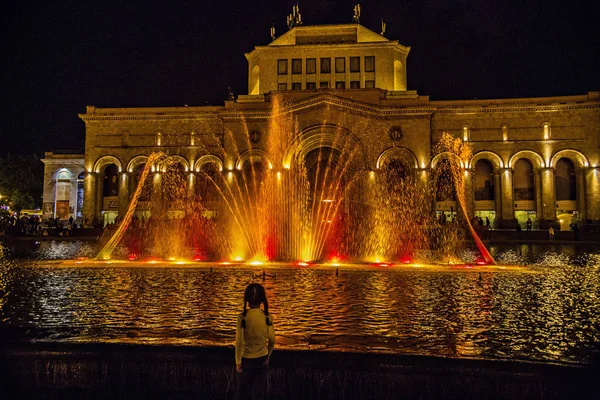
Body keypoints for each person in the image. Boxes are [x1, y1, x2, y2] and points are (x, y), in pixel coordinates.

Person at [235, 283, 275, 400]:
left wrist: (238, 361)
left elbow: (239, 342)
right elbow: (272, 340)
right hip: (262, 358)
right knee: (259, 391)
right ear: (262, 300)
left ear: (246, 300)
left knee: (242, 391)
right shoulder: (267, 316)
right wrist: (268, 354)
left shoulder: (242, 317)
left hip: (246, 359)